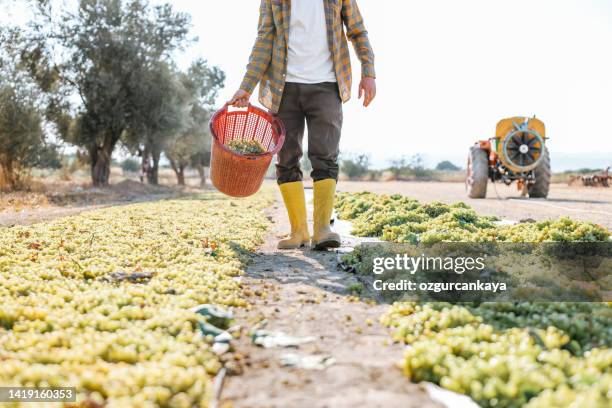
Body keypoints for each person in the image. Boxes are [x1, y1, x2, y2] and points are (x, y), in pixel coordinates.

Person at [229, 0, 376, 250]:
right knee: (286, 159)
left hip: (327, 85)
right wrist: (246, 87)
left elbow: (357, 30)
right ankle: (298, 231)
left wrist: (369, 72)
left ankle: (322, 229)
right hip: (282, 88)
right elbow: (264, 40)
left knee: (325, 156)